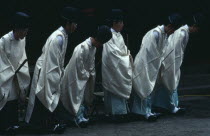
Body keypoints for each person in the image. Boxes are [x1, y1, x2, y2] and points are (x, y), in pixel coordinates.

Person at [25, 7, 79, 133]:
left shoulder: (63, 36)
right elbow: (52, 62)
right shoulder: (58, 38)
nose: (76, 26)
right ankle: (39, 126)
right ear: (68, 23)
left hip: (50, 68)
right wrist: (56, 76)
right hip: (46, 69)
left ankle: (46, 124)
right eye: (74, 23)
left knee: (47, 98)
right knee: (43, 96)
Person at [131, 13, 183, 121]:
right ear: (169, 26)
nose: (173, 32)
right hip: (144, 64)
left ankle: (148, 110)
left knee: (150, 88)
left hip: (152, 65)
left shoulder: (164, 35)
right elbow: (148, 53)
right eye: (173, 29)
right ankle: (143, 112)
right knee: (144, 87)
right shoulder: (155, 34)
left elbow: (160, 52)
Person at [152, 13, 205, 114]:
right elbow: (172, 50)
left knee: (168, 83)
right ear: (194, 26)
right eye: (197, 29)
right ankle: (169, 106)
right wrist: (173, 65)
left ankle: (164, 105)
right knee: (170, 82)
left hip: (173, 61)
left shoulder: (184, 32)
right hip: (170, 61)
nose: (196, 31)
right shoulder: (182, 33)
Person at [61, 25, 112, 128]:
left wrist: (90, 73)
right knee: (76, 95)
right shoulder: (82, 47)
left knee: (85, 95)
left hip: (83, 77)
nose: (100, 46)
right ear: (98, 40)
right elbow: (77, 66)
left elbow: (91, 64)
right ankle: (76, 118)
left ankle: (82, 116)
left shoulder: (93, 48)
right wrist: (87, 74)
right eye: (101, 43)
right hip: (74, 77)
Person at [0, 12, 31, 133]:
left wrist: (20, 71)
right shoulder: (3, 41)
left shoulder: (23, 39)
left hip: (17, 74)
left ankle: (13, 123)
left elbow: (23, 56)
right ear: (18, 29)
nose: (26, 33)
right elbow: (1, 61)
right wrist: (10, 72)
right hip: (5, 75)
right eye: (25, 31)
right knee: (5, 98)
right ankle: (4, 125)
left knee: (14, 98)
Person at [102, 9, 133, 122]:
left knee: (119, 90)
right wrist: (125, 58)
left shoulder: (118, 35)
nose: (123, 24)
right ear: (115, 23)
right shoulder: (109, 35)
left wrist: (127, 54)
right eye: (121, 22)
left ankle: (122, 112)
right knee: (114, 90)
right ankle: (115, 113)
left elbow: (123, 49)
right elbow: (112, 53)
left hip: (119, 66)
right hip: (113, 68)